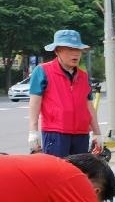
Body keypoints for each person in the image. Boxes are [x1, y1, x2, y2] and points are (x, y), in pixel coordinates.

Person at [28, 29, 103, 158]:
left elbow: (88, 105)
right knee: (57, 173)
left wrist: (97, 133)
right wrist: (33, 131)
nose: (75, 54)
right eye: (69, 49)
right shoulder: (42, 71)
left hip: (81, 133)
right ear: (57, 51)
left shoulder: (83, 76)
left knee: (79, 173)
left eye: (78, 50)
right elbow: (35, 102)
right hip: (55, 132)